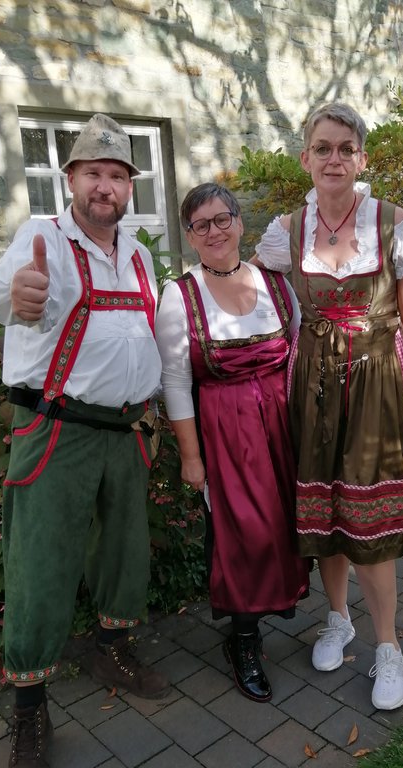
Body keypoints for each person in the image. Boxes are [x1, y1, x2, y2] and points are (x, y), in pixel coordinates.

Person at [0, 114, 170, 768]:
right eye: (93, 172)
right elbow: (6, 294)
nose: (106, 185)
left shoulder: (138, 254)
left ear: (128, 187)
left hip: (124, 429)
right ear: (71, 181)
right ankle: (30, 710)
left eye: (117, 174)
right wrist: (18, 298)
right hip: (56, 429)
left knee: (124, 549)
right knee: (40, 565)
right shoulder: (42, 240)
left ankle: (111, 648)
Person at [253, 103, 403, 711]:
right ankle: (338, 619)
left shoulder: (395, 224)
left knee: (372, 519)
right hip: (312, 382)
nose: (334, 158)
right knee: (323, 509)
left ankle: (388, 647)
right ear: (305, 158)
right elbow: (250, 292)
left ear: (362, 158)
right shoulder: (284, 229)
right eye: (322, 148)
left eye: (345, 148)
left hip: (377, 379)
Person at [156, 183, 310, 703]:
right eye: (202, 225)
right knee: (239, 534)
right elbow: (175, 381)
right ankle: (243, 638)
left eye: (223, 219)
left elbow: (297, 347)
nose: (215, 231)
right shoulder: (180, 295)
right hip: (224, 430)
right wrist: (191, 457)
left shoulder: (275, 283)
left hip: (280, 424)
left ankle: (303, 613)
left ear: (241, 223)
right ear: (190, 236)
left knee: (285, 523)